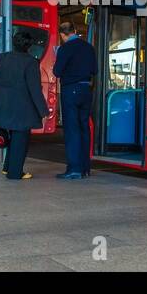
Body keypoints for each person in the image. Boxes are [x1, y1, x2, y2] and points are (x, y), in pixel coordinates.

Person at [0, 31, 49, 180]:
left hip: (3, 104)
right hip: (22, 107)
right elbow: (34, 89)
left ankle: (7, 167)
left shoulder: (3, 58)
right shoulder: (30, 62)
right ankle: (15, 172)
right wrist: (43, 111)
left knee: (12, 138)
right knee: (20, 138)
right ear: (29, 46)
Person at [53, 21, 97, 179]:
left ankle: (74, 169)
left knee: (72, 129)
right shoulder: (89, 47)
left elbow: (57, 71)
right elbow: (94, 70)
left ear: (62, 34)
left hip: (70, 90)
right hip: (86, 89)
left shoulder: (64, 48)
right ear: (75, 30)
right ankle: (85, 168)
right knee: (84, 127)